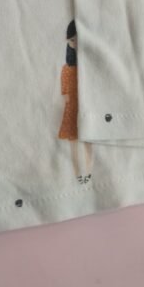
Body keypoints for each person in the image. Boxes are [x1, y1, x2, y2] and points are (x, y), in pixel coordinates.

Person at [58, 20, 93, 183]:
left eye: (78, 39)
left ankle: (89, 172)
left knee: (88, 140)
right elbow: (65, 93)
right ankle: (78, 174)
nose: (75, 43)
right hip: (72, 108)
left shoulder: (88, 66)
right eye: (72, 40)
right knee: (74, 143)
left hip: (87, 106)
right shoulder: (67, 69)